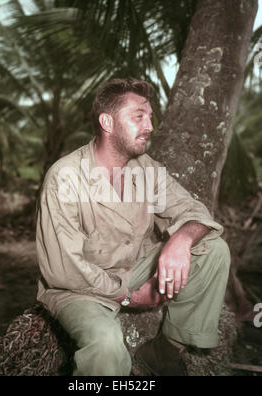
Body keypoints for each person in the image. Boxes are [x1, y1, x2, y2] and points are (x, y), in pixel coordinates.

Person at [36, 78, 231, 376]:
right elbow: (65, 270)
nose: (150, 126)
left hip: (132, 268)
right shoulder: (65, 177)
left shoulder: (145, 168)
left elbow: (194, 211)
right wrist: (129, 297)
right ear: (107, 122)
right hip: (79, 288)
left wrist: (181, 238)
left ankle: (164, 352)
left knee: (213, 249)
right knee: (106, 346)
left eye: (150, 116)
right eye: (139, 116)